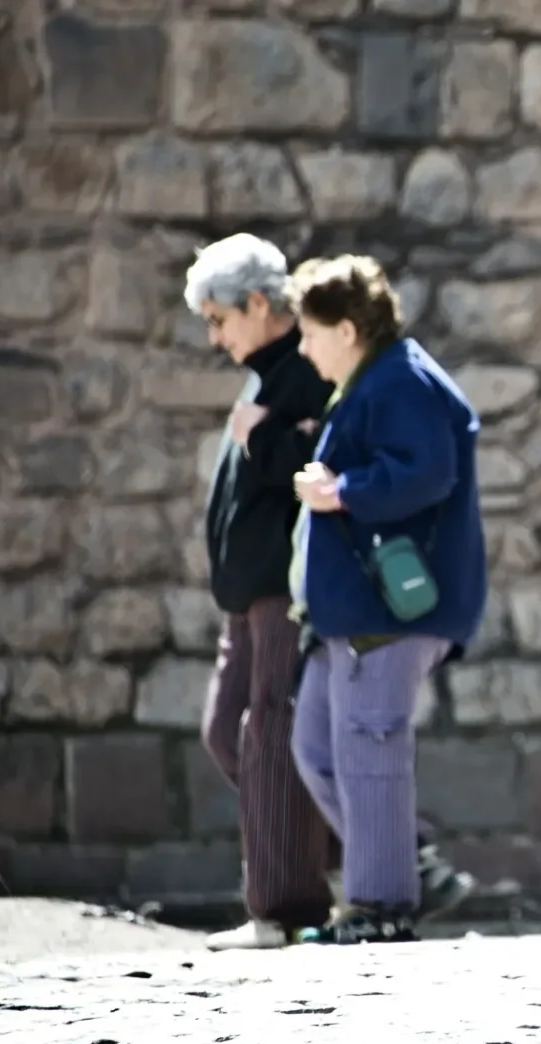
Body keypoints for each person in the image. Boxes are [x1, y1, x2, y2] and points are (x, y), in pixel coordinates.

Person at [284, 255, 488, 945]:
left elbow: (425, 472)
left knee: (369, 751)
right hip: (354, 615)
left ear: (346, 329)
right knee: (316, 746)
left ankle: (380, 907)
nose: (303, 348)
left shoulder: (401, 381)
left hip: (386, 614)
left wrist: (339, 490)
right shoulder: (379, 378)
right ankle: (411, 870)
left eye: (310, 333)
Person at [184, 234, 338, 951]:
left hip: (281, 592)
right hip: (244, 598)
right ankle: (341, 845)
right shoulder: (262, 374)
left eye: (220, 318)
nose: (215, 337)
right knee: (229, 732)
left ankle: (284, 909)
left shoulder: (302, 370)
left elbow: (310, 469)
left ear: (256, 303)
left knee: (270, 735)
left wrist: (267, 437)